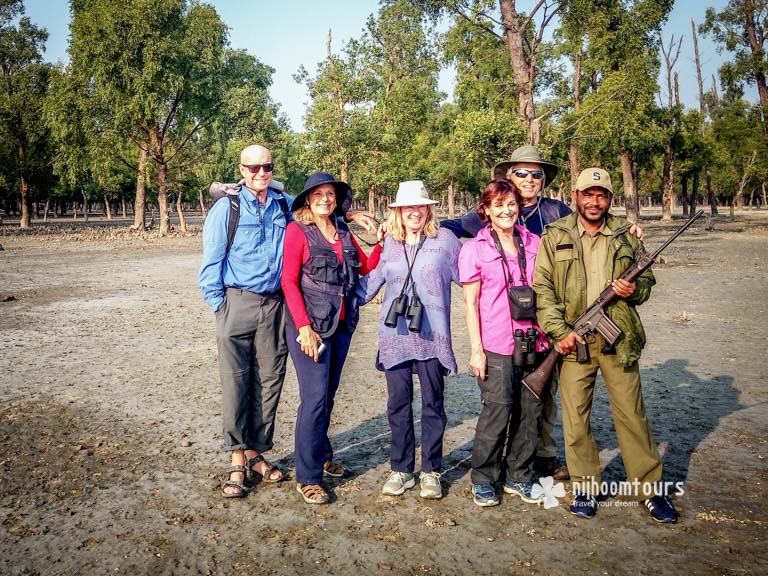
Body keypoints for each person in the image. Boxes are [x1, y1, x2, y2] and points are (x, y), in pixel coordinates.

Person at [198, 144, 375, 498]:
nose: (261, 173)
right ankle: (237, 458)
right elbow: (210, 261)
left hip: (276, 306)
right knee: (237, 381)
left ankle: (256, 453)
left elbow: (319, 207)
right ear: (242, 169)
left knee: (269, 381)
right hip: (237, 301)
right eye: (253, 168)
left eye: (267, 167)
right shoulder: (226, 209)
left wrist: (350, 216)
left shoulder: (282, 205)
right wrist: (221, 305)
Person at [532, 168, 678, 523]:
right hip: (573, 340)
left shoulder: (626, 236)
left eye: (601, 195)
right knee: (576, 419)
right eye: (587, 194)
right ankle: (585, 488)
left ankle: (649, 490)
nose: (594, 201)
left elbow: (646, 284)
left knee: (631, 416)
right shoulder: (555, 234)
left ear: (610, 199)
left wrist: (634, 290)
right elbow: (543, 290)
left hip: (619, 341)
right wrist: (559, 333)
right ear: (576, 196)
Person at [441, 145, 571, 481]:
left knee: (540, 404)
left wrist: (628, 229)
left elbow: (588, 229)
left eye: (536, 173)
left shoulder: (558, 212)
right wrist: (412, 229)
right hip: (499, 333)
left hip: (543, 325)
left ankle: (538, 460)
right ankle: (486, 475)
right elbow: (454, 226)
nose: (529, 179)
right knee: (500, 406)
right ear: (508, 178)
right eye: (522, 173)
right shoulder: (483, 230)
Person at [281, 172, 382, 505]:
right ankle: (307, 477)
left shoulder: (341, 230)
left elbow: (365, 267)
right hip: (310, 328)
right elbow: (288, 282)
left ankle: (322, 454)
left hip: (340, 325)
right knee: (314, 399)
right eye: (319, 194)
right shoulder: (298, 231)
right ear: (308, 199)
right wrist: (303, 328)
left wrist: (381, 241)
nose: (325, 199)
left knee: (329, 394)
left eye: (331, 194)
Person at [358, 180, 461, 500]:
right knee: (398, 405)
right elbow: (367, 286)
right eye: (408, 207)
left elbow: (472, 278)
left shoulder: (446, 240)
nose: (414, 212)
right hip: (395, 337)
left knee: (433, 405)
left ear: (429, 209)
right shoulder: (388, 244)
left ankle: (431, 471)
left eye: (420, 206)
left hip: (433, 337)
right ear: (398, 212)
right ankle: (401, 469)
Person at [458, 179, 549, 507]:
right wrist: (476, 350)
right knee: (497, 411)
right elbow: (470, 304)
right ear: (486, 209)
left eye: (511, 204)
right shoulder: (474, 249)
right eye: (498, 205)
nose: (506, 210)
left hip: (536, 342)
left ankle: (520, 476)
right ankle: (483, 478)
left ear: (518, 206)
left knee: (531, 412)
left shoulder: (536, 242)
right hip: (496, 345)